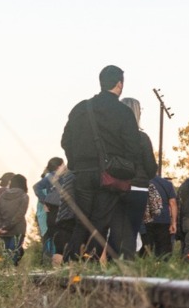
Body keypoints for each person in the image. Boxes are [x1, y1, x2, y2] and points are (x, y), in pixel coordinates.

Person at [59, 65, 158, 261]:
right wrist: (124, 168)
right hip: (110, 174)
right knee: (100, 221)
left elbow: (66, 141)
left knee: (82, 221)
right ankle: (91, 262)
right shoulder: (123, 112)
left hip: (83, 172)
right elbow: (132, 146)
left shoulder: (81, 108)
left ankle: (72, 261)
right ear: (119, 84)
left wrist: (75, 163)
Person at [121, 97, 156, 254]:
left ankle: (113, 260)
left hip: (115, 186)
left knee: (115, 229)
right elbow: (150, 166)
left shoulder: (111, 138)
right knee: (133, 229)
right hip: (138, 187)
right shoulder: (142, 138)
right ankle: (128, 261)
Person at [33, 157, 65, 262]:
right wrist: (44, 200)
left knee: (52, 235)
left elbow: (36, 187)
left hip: (52, 209)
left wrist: (44, 201)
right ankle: (54, 259)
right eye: (63, 164)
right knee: (56, 235)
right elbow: (36, 187)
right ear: (59, 166)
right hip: (56, 209)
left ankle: (50, 259)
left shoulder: (50, 177)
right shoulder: (55, 176)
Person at [0, 174, 30, 264]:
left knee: (5, 255)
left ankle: (6, 270)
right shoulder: (24, 196)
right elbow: (20, 214)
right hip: (17, 229)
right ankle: (11, 270)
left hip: (2, 231)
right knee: (14, 254)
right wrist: (8, 226)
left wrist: (0, 226)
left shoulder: (1, 196)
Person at [143, 168, 177, 258]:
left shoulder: (141, 182)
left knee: (146, 251)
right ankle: (162, 265)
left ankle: (146, 266)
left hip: (146, 220)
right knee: (163, 252)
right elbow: (173, 203)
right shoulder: (167, 184)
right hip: (163, 219)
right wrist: (173, 223)